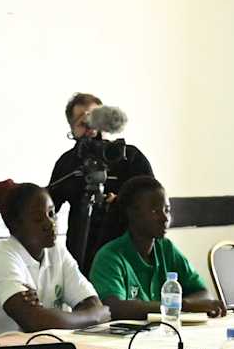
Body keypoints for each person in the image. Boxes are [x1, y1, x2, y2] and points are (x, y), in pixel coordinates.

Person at [0, 180, 111, 337]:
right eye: (38, 219)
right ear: (15, 225)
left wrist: (50, 317)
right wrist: (93, 317)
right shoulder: (2, 259)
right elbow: (34, 322)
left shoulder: (57, 252)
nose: (50, 223)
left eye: (52, 214)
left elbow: (93, 303)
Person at [86, 176, 226, 320]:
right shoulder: (109, 257)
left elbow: (203, 293)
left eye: (167, 210)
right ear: (132, 214)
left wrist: (184, 304)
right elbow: (114, 308)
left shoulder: (166, 249)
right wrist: (180, 306)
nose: (165, 218)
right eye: (155, 211)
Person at [46, 93, 154, 271]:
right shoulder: (68, 163)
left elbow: (154, 200)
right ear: (72, 130)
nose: (90, 128)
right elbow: (49, 206)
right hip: (82, 255)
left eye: (95, 119)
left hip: (128, 255)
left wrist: (123, 202)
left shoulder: (131, 157)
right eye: (82, 123)